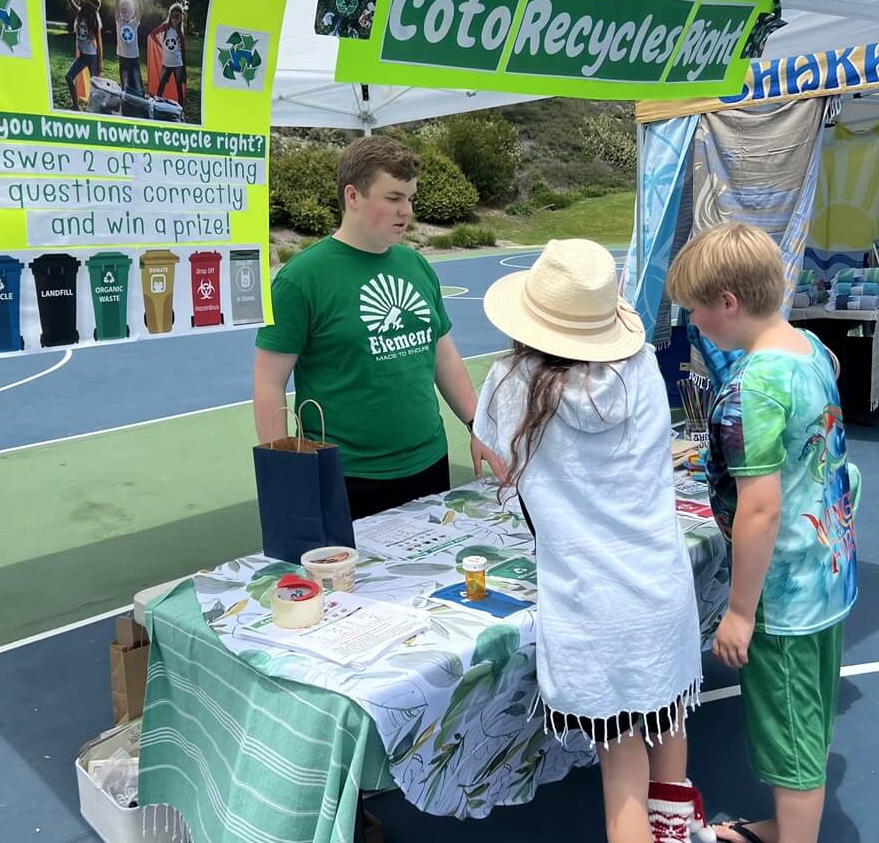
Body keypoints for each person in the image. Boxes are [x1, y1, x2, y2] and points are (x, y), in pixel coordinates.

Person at [474, 238, 712, 843]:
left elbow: (500, 463)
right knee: (668, 731)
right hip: (659, 588)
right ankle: (675, 834)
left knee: (622, 771)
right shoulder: (640, 371)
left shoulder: (508, 382)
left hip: (590, 607)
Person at [666, 222, 858, 843]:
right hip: (829, 569)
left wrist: (741, 613)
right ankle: (783, 827)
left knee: (790, 728)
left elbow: (759, 509)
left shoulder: (753, 386)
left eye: (694, 309)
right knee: (811, 710)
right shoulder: (810, 350)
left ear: (727, 303)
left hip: (785, 594)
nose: (693, 323)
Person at [253, 135, 503, 519]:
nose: (406, 211)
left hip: (429, 463)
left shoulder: (416, 265)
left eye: (411, 198)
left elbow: (442, 355)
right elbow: (269, 383)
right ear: (353, 196)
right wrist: (288, 477)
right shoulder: (300, 280)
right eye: (393, 198)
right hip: (346, 476)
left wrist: (477, 425)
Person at [61, 0, 103, 111]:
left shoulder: (93, 19)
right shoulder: (80, 13)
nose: (80, 0)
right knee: (69, 77)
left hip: (92, 57)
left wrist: (100, 64)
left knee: (96, 85)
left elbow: (99, 44)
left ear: (88, 3)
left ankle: (96, 108)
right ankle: (75, 106)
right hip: (83, 56)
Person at [152, 3, 187, 104]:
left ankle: (180, 105)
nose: (175, 19)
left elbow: (182, 49)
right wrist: (160, 44)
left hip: (177, 63)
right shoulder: (165, 27)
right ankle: (157, 102)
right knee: (162, 83)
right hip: (167, 63)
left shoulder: (180, 32)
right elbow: (153, 34)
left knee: (178, 84)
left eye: (178, 17)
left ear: (180, 18)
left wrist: (177, 29)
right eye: (173, 17)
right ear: (170, 16)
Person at [115, 0, 142, 94]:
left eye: (128, 11)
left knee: (137, 84)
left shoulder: (134, 23)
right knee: (125, 85)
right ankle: (126, 105)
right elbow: (116, 7)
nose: (125, 13)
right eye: (123, 11)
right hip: (123, 58)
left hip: (134, 58)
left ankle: (139, 102)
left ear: (132, 13)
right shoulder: (119, 22)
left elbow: (141, 11)